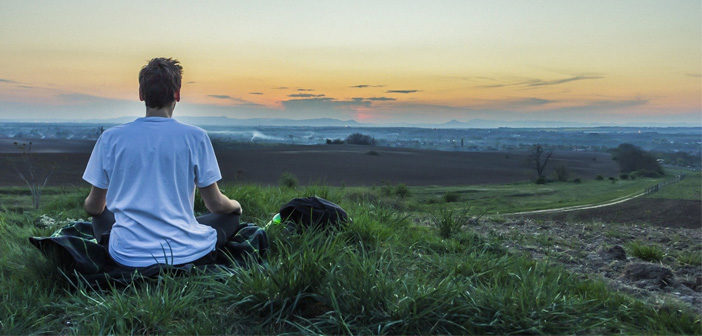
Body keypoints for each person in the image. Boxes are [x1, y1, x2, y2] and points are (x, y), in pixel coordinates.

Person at [82, 57, 242, 268]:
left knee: (101, 215)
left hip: (127, 255)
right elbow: (215, 205)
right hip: (185, 252)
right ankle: (185, 234)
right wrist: (236, 206)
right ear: (177, 94)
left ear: (141, 95)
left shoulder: (111, 138)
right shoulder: (196, 137)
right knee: (230, 218)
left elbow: (93, 208)